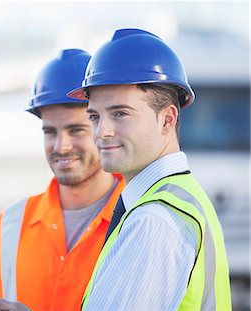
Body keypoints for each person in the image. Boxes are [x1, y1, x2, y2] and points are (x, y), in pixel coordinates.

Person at [67, 28, 232, 310]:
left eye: (120, 113)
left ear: (167, 119)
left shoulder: (155, 220)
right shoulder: (176, 200)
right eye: (95, 116)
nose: (102, 132)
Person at [0, 49, 125, 311]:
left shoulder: (137, 220)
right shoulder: (6, 228)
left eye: (76, 130)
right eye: (50, 132)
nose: (61, 146)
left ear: (104, 129)